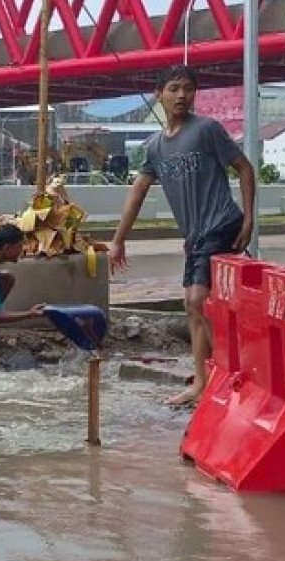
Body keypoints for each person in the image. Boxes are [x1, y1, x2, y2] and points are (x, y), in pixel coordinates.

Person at [109, 64, 257, 406]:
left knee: (197, 300)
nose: (181, 95)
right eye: (174, 88)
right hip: (195, 236)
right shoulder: (156, 146)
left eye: (188, 89)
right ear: (158, 94)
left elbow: (245, 168)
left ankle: (232, 376)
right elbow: (137, 193)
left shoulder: (207, 130)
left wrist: (249, 219)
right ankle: (202, 383)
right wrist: (118, 240)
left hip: (221, 224)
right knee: (193, 308)